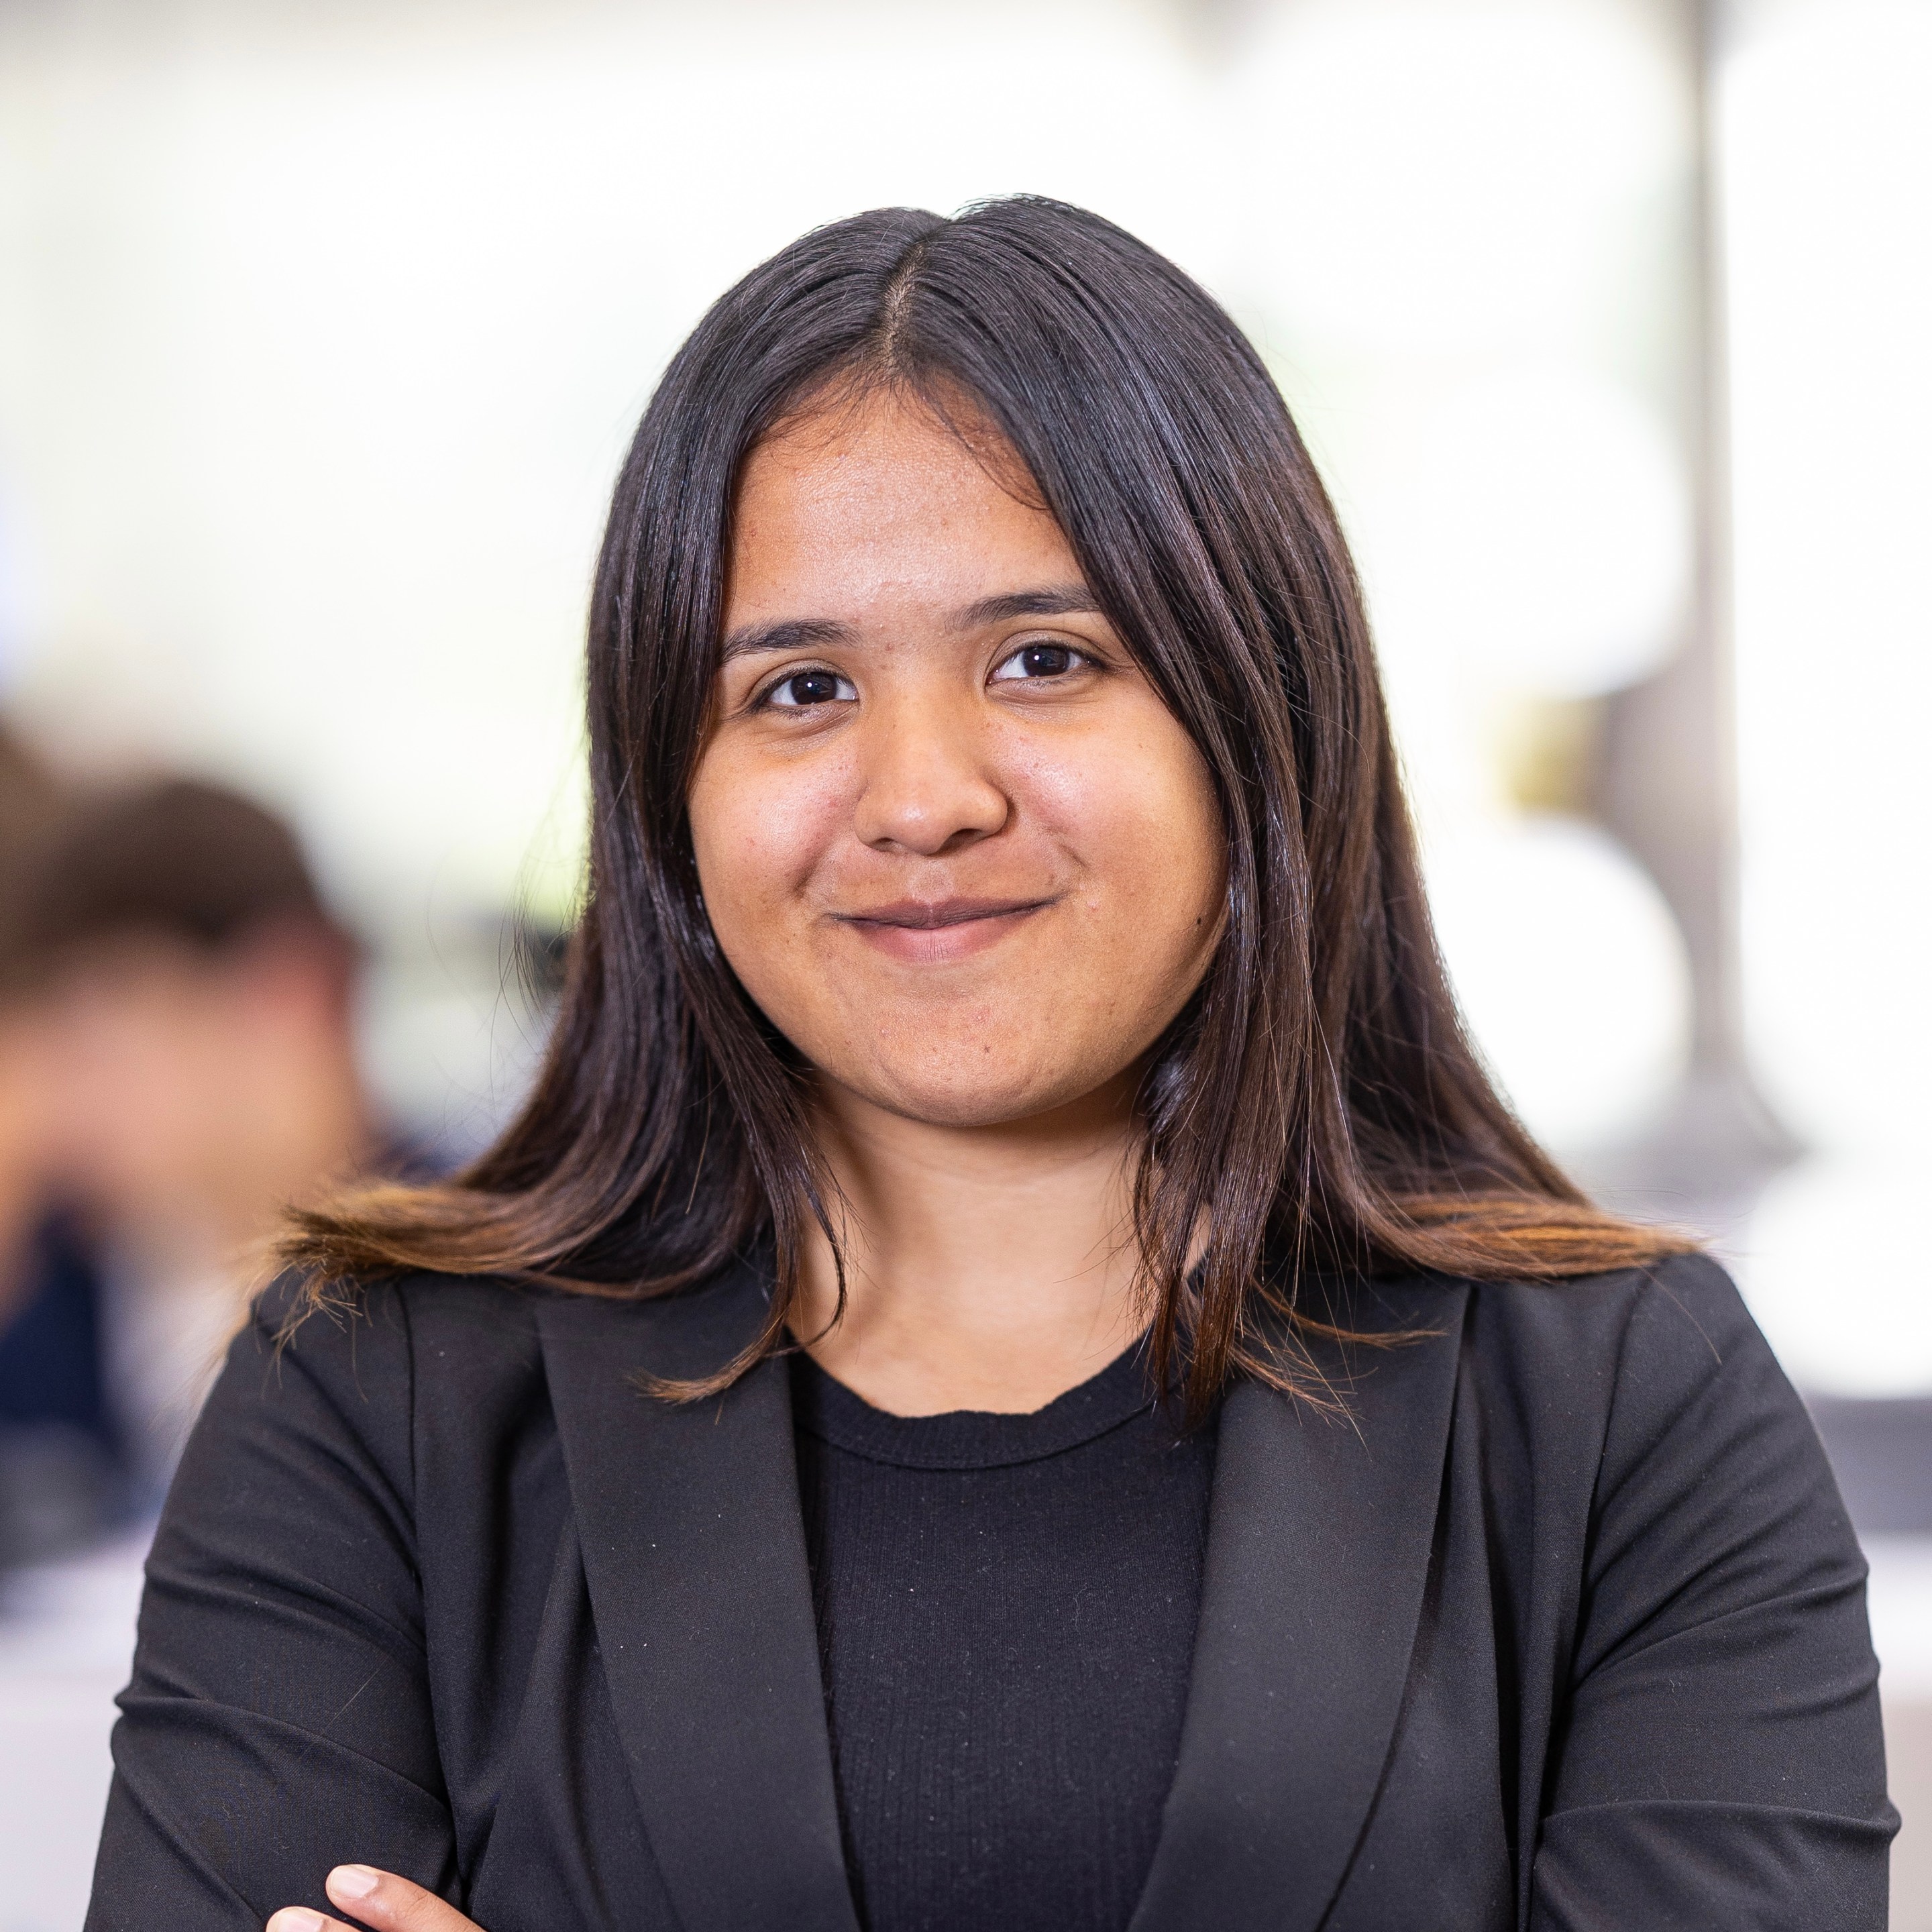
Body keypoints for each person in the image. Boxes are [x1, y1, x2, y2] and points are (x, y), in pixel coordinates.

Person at [86, 199, 1892, 1932]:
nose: (925, 799)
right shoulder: (378, 1400)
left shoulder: (1620, 1411)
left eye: (1045, 659)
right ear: (670, 794)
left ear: (1255, 724)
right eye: (798, 690)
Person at [0, 777, 380, 1511]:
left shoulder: (480, 1285)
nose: (72, 1108)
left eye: (105, 1044)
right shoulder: (70, 1285)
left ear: (285, 992)